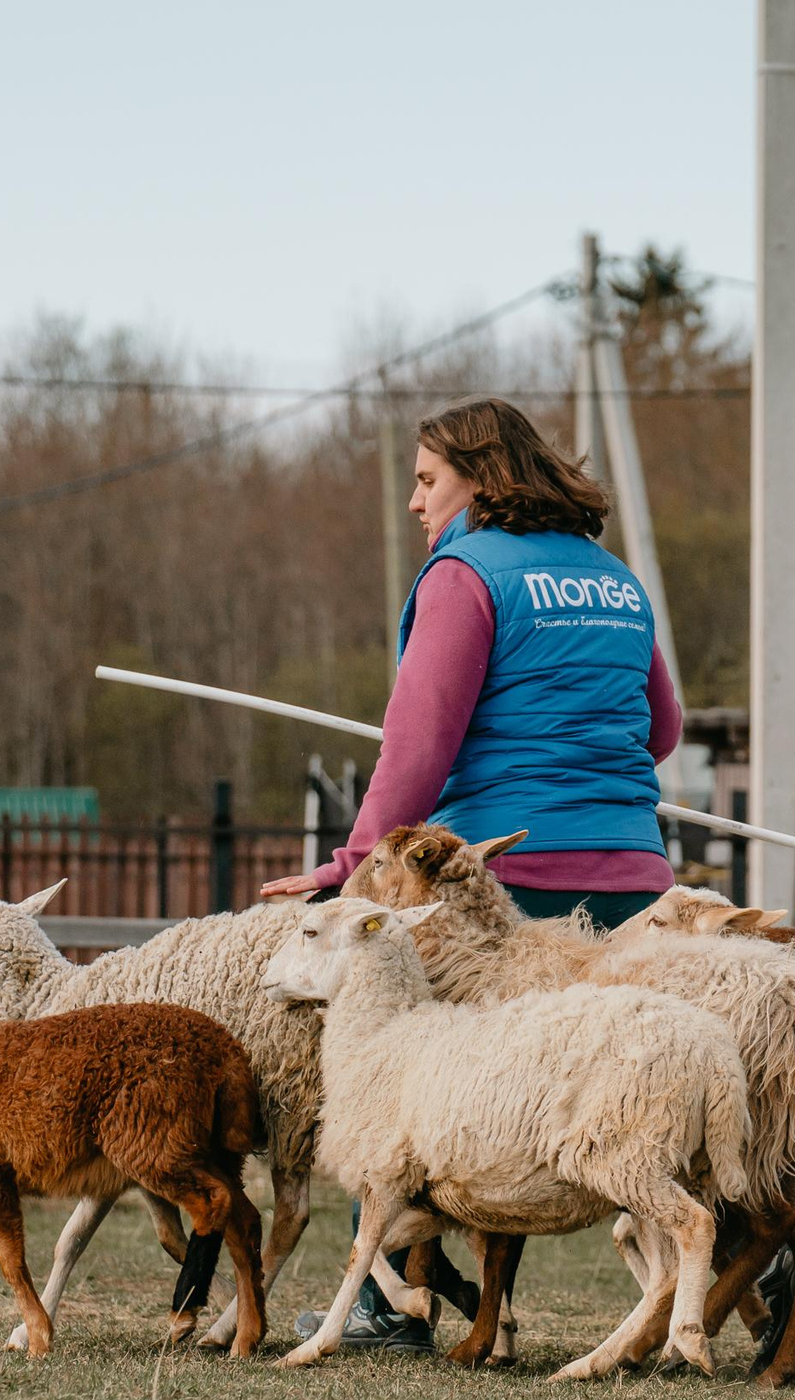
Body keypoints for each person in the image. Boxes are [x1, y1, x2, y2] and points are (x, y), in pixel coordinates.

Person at [264, 395, 682, 1351]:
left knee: (407, 1081)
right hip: (635, 882)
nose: (416, 504)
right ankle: (767, 1278)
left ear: (481, 482)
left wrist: (350, 870)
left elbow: (416, 751)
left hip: (498, 880)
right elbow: (660, 731)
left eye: (426, 481)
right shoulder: (618, 580)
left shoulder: (463, 575)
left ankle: (381, 1304)